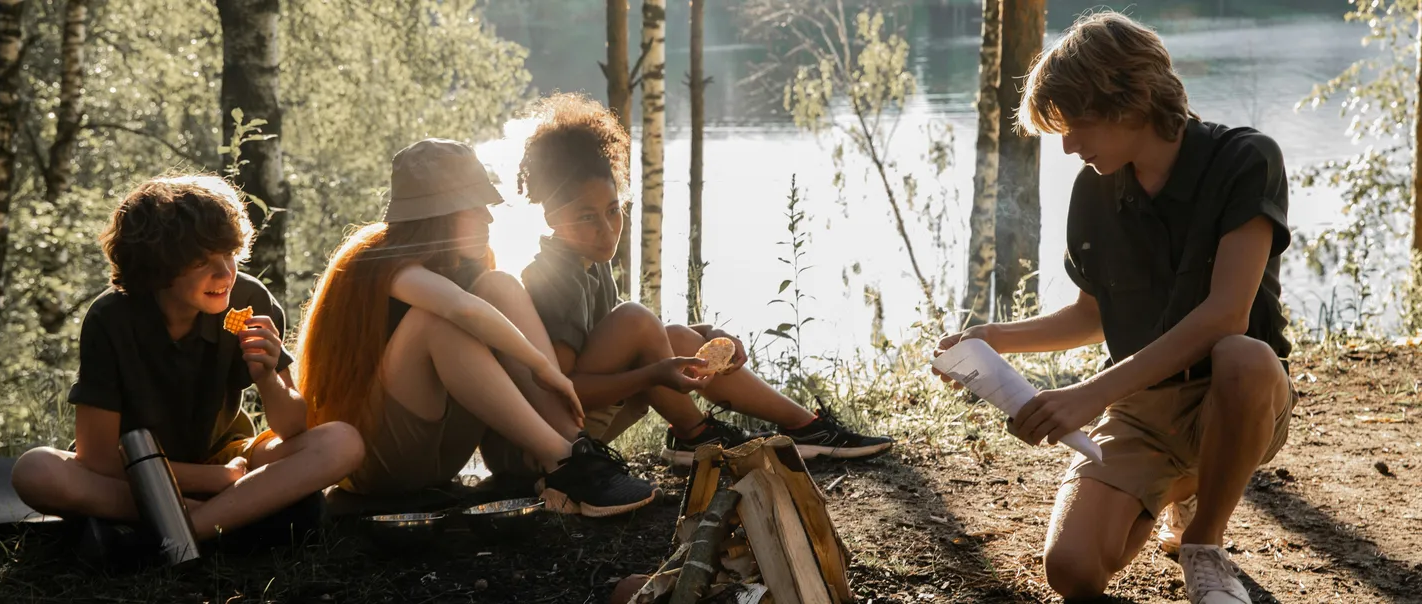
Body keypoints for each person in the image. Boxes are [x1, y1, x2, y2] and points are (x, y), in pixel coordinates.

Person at [934, 12, 1295, 604]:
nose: (1068, 143)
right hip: (1142, 410)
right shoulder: (1096, 189)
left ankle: (1204, 545)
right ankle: (1181, 484)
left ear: (1128, 101)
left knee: (1244, 356)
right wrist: (992, 338)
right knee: (1073, 570)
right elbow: (1091, 315)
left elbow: (1225, 315)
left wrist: (1089, 394)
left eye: (1077, 123)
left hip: (1237, 397)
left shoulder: (1246, 160)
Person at [513, 92, 894, 468]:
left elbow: (620, 346)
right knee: (636, 318)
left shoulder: (586, 265)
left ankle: (806, 427)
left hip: (591, 420)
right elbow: (564, 389)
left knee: (676, 335)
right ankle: (695, 434)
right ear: (551, 217)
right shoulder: (553, 277)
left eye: (613, 210)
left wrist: (707, 332)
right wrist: (654, 372)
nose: (605, 229)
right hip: (554, 442)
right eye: (585, 217)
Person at [296, 138, 658, 517]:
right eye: (474, 208)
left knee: (498, 284)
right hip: (379, 463)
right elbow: (462, 311)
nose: (488, 218)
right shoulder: (383, 265)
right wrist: (544, 366)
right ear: (438, 215)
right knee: (436, 322)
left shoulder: (464, 264)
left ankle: (577, 453)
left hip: (438, 455)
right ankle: (562, 461)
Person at [10, 175, 364, 544]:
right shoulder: (110, 318)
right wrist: (215, 480)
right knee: (35, 470)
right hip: (137, 471)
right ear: (157, 266)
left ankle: (178, 532)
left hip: (231, 457)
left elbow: (292, 428)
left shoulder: (248, 298)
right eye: (202, 261)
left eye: (230, 254)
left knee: (342, 441)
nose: (225, 273)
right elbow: (98, 459)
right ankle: (234, 518)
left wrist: (267, 378)